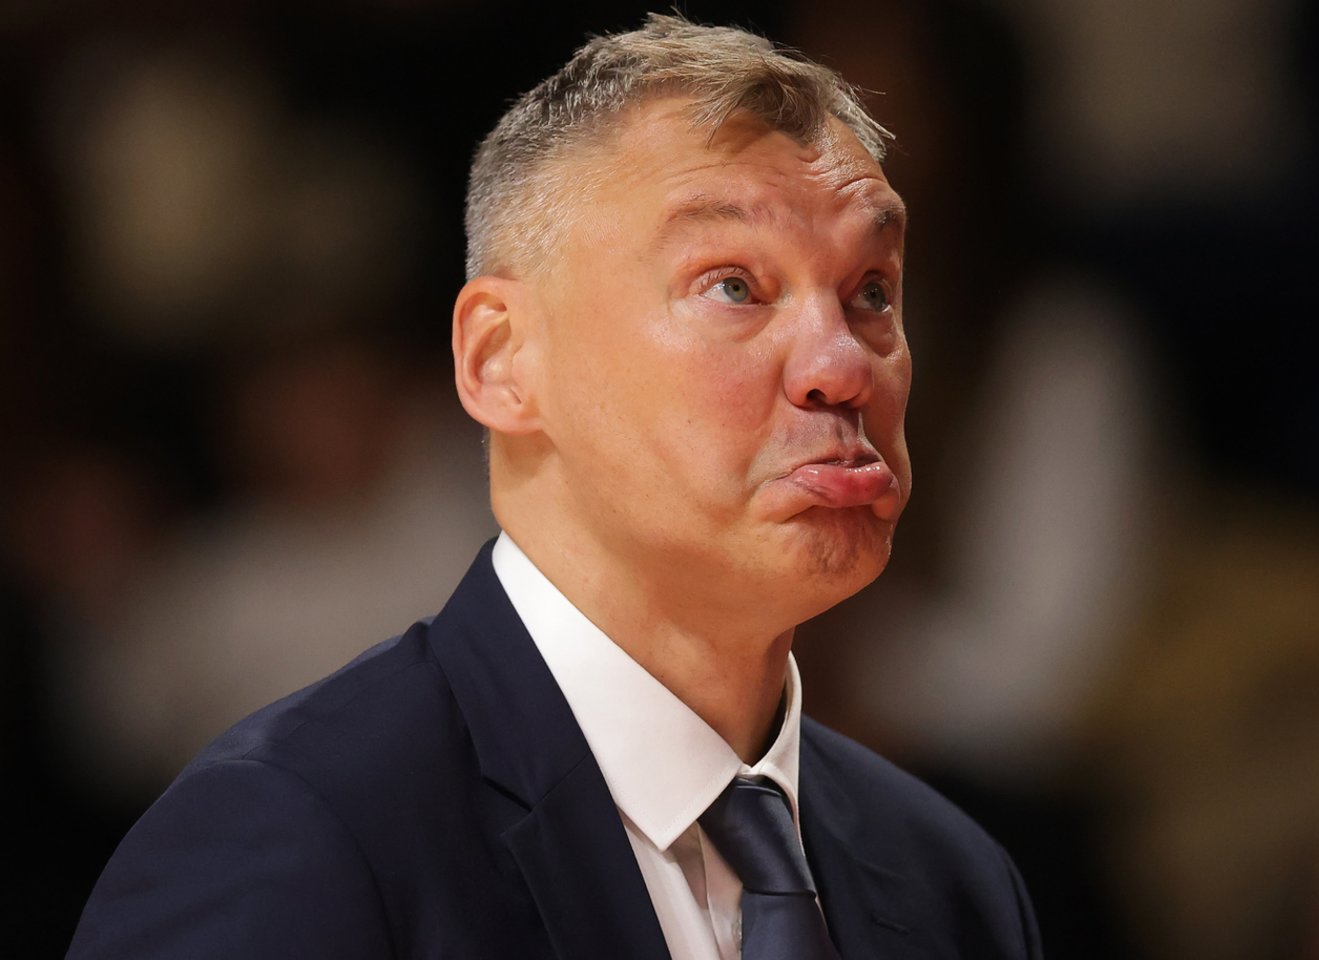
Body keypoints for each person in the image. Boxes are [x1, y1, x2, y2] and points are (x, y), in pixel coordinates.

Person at [67, 14, 1042, 959]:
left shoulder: (954, 883)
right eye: (733, 284)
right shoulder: (290, 840)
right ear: (501, 359)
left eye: (872, 290)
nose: (842, 364)